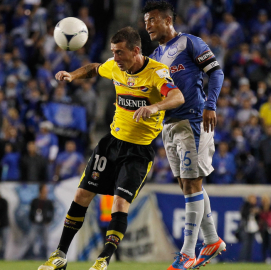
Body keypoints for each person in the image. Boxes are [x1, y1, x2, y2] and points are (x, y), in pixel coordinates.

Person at [38, 26, 185, 270]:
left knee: (119, 203)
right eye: (113, 52)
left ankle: (103, 260)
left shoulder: (157, 73)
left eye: (119, 53)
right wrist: (73, 75)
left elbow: (177, 97)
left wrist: (155, 107)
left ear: (136, 51)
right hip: (111, 144)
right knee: (81, 195)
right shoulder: (116, 67)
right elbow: (94, 67)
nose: (115, 58)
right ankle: (60, 255)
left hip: (138, 151)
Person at [142, 1, 226, 269]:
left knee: (191, 184)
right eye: (145, 21)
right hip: (169, 125)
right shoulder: (155, 54)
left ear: (167, 20)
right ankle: (211, 239)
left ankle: (188, 253)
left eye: (152, 20)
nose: (147, 25)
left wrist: (210, 105)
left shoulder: (190, 43)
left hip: (192, 120)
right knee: (187, 185)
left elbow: (216, 72)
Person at [29, 184, 54, 259]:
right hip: (35, 223)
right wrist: (32, 219)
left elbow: (52, 212)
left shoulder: (48, 202)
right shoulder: (35, 201)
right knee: (32, 239)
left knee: (45, 241)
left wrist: (48, 220)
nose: (46, 191)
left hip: (44, 223)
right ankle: (31, 256)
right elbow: (31, 211)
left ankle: (45, 257)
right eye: (44, 189)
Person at [258, 194, 271, 263]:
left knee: (270, 244)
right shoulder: (260, 209)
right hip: (263, 229)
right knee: (264, 244)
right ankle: (264, 259)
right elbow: (258, 219)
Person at [238, 194, 259, 262]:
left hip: (253, 228)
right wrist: (251, 211)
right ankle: (242, 259)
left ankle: (249, 259)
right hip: (246, 228)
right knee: (245, 245)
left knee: (251, 245)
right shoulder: (245, 206)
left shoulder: (256, 207)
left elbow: (258, 218)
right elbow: (243, 214)